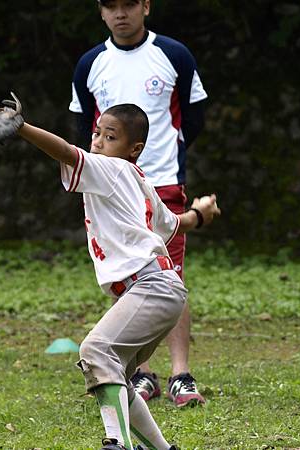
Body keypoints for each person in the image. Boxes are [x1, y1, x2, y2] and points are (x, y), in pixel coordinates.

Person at [14, 101, 220, 449]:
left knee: (95, 350)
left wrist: (21, 128)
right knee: (119, 378)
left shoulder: (110, 169)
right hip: (163, 290)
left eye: (109, 137)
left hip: (151, 287)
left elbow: (65, 152)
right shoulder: (140, 183)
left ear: (133, 149)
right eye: (96, 133)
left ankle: (117, 442)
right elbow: (176, 224)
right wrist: (200, 215)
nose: (97, 141)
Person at [70, 0, 209, 407]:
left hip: (162, 182)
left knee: (171, 276)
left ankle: (180, 374)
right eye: (110, 6)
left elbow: (193, 116)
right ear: (100, 12)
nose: (120, 13)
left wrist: (164, 158)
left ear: (145, 6)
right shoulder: (90, 63)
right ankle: (140, 374)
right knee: (126, 270)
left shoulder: (174, 54)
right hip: (112, 190)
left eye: (129, 3)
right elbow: (84, 126)